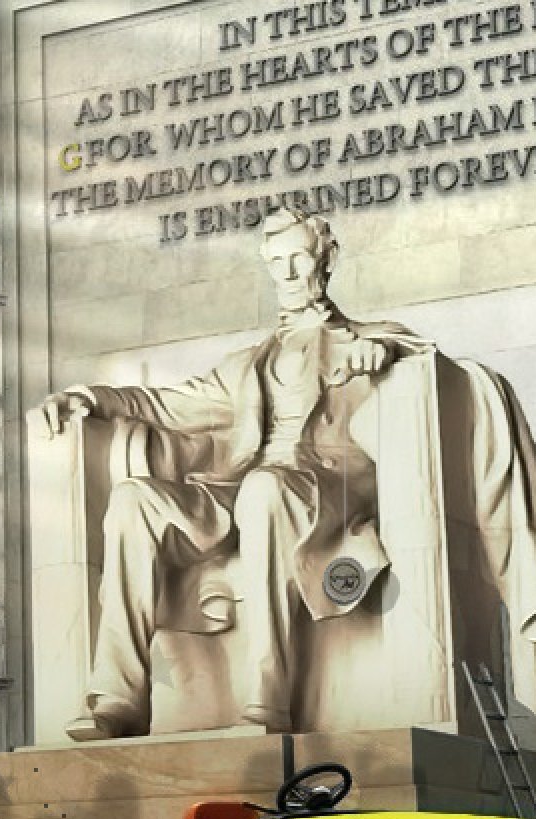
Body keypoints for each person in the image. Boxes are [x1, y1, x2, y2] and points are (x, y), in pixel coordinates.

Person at [39, 206, 436, 739]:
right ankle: (118, 700)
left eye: (299, 258)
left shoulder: (371, 340)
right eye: (277, 262)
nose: (288, 273)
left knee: (264, 490)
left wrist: (382, 353)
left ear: (327, 259)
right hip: (248, 486)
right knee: (135, 499)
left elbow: (426, 358)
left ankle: (267, 699)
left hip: (329, 490)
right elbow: (169, 404)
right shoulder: (246, 365)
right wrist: (91, 397)